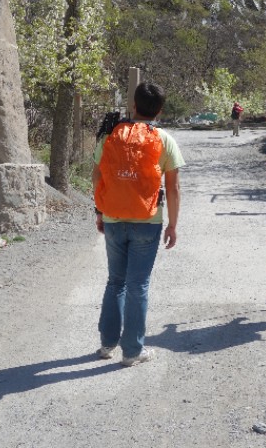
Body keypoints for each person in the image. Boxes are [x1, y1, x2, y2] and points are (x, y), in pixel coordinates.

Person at [93, 82, 185, 367]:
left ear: (133, 106)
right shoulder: (164, 139)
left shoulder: (111, 135)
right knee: (138, 285)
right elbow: (173, 188)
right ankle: (132, 351)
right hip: (147, 221)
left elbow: (98, 176)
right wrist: (172, 225)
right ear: (159, 111)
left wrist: (100, 210)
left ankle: (108, 344)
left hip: (113, 219)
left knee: (115, 281)